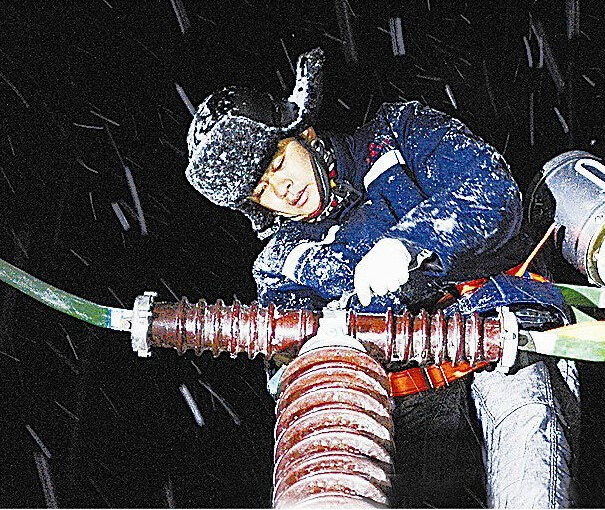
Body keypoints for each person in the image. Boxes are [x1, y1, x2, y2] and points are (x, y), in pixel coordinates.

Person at [185, 47, 579, 508]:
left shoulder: (396, 134)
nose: (282, 190)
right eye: (261, 190)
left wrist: (410, 242)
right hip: (410, 406)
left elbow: (490, 193)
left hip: (506, 335)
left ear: (304, 133)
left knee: (529, 458)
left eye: (277, 165)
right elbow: (300, 361)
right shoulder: (281, 265)